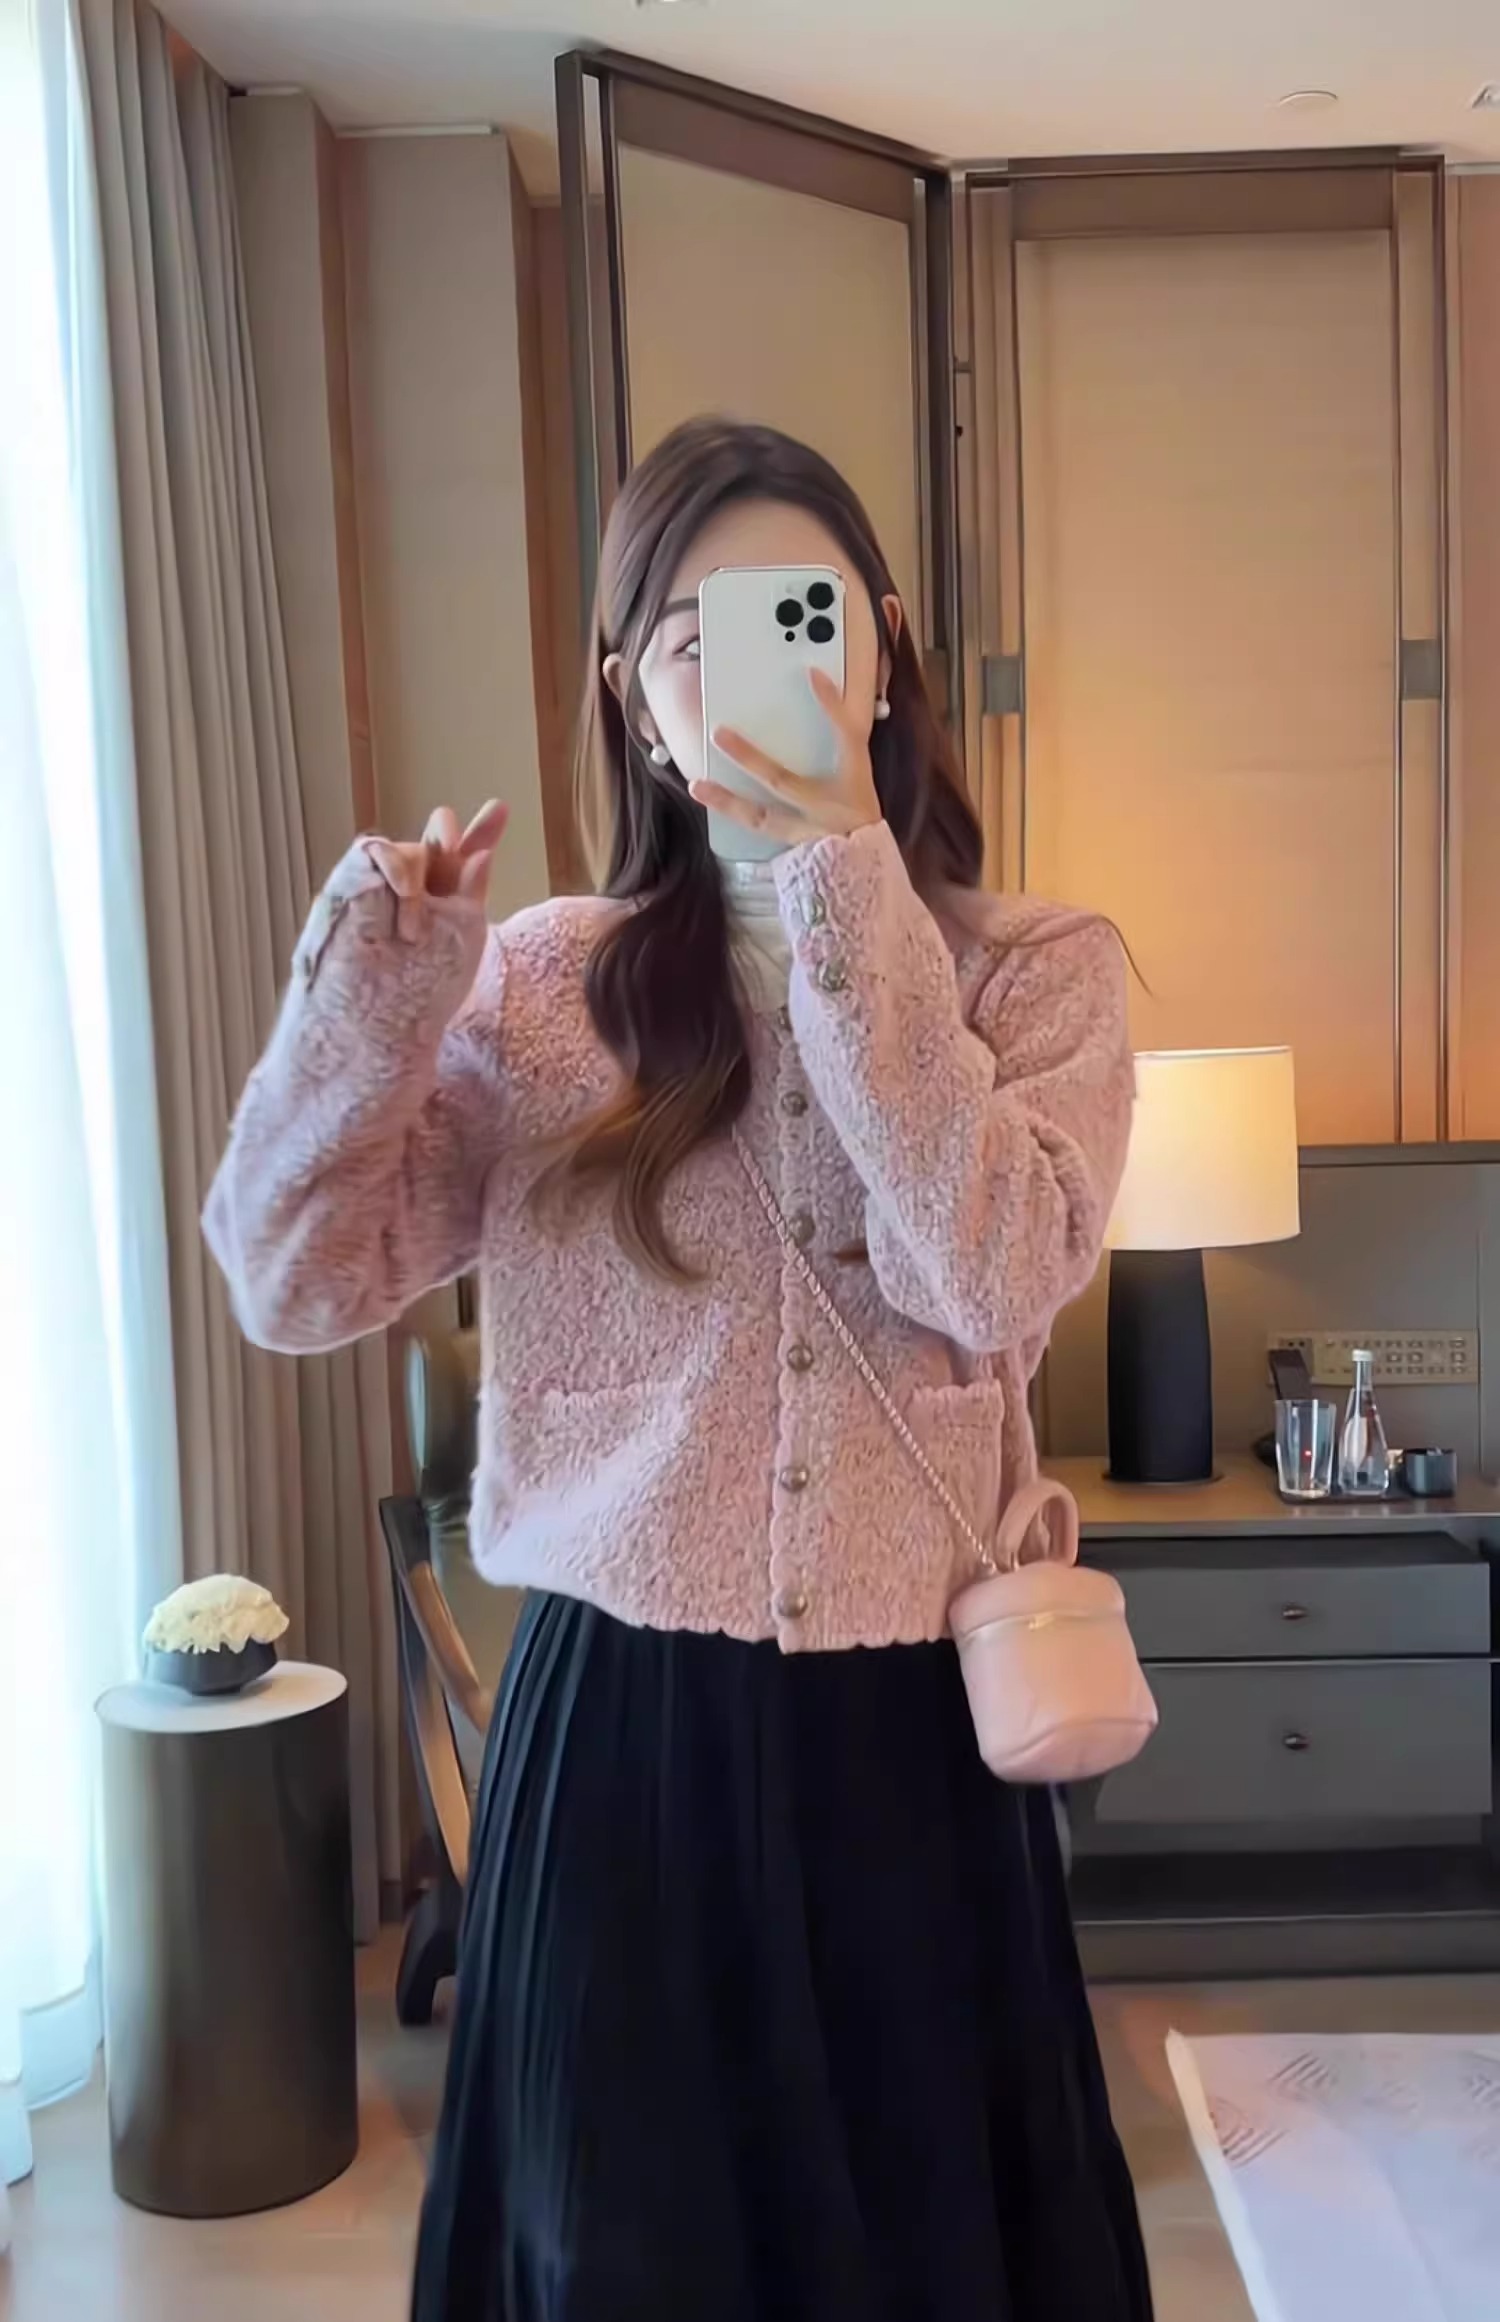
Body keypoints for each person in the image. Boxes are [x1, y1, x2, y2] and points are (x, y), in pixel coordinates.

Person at [205, 416, 1150, 2322]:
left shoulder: (1037, 971)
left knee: (924, 2257)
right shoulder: (544, 985)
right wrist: (382, 973)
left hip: (911, 1751)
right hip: (617, 1750)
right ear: (633, 701)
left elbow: (990, 1268)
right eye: (693, 637)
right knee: (623, 2263)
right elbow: (291, 1276)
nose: (753, 670)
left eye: (804, 615)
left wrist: (843, 885)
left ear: (882, 650)